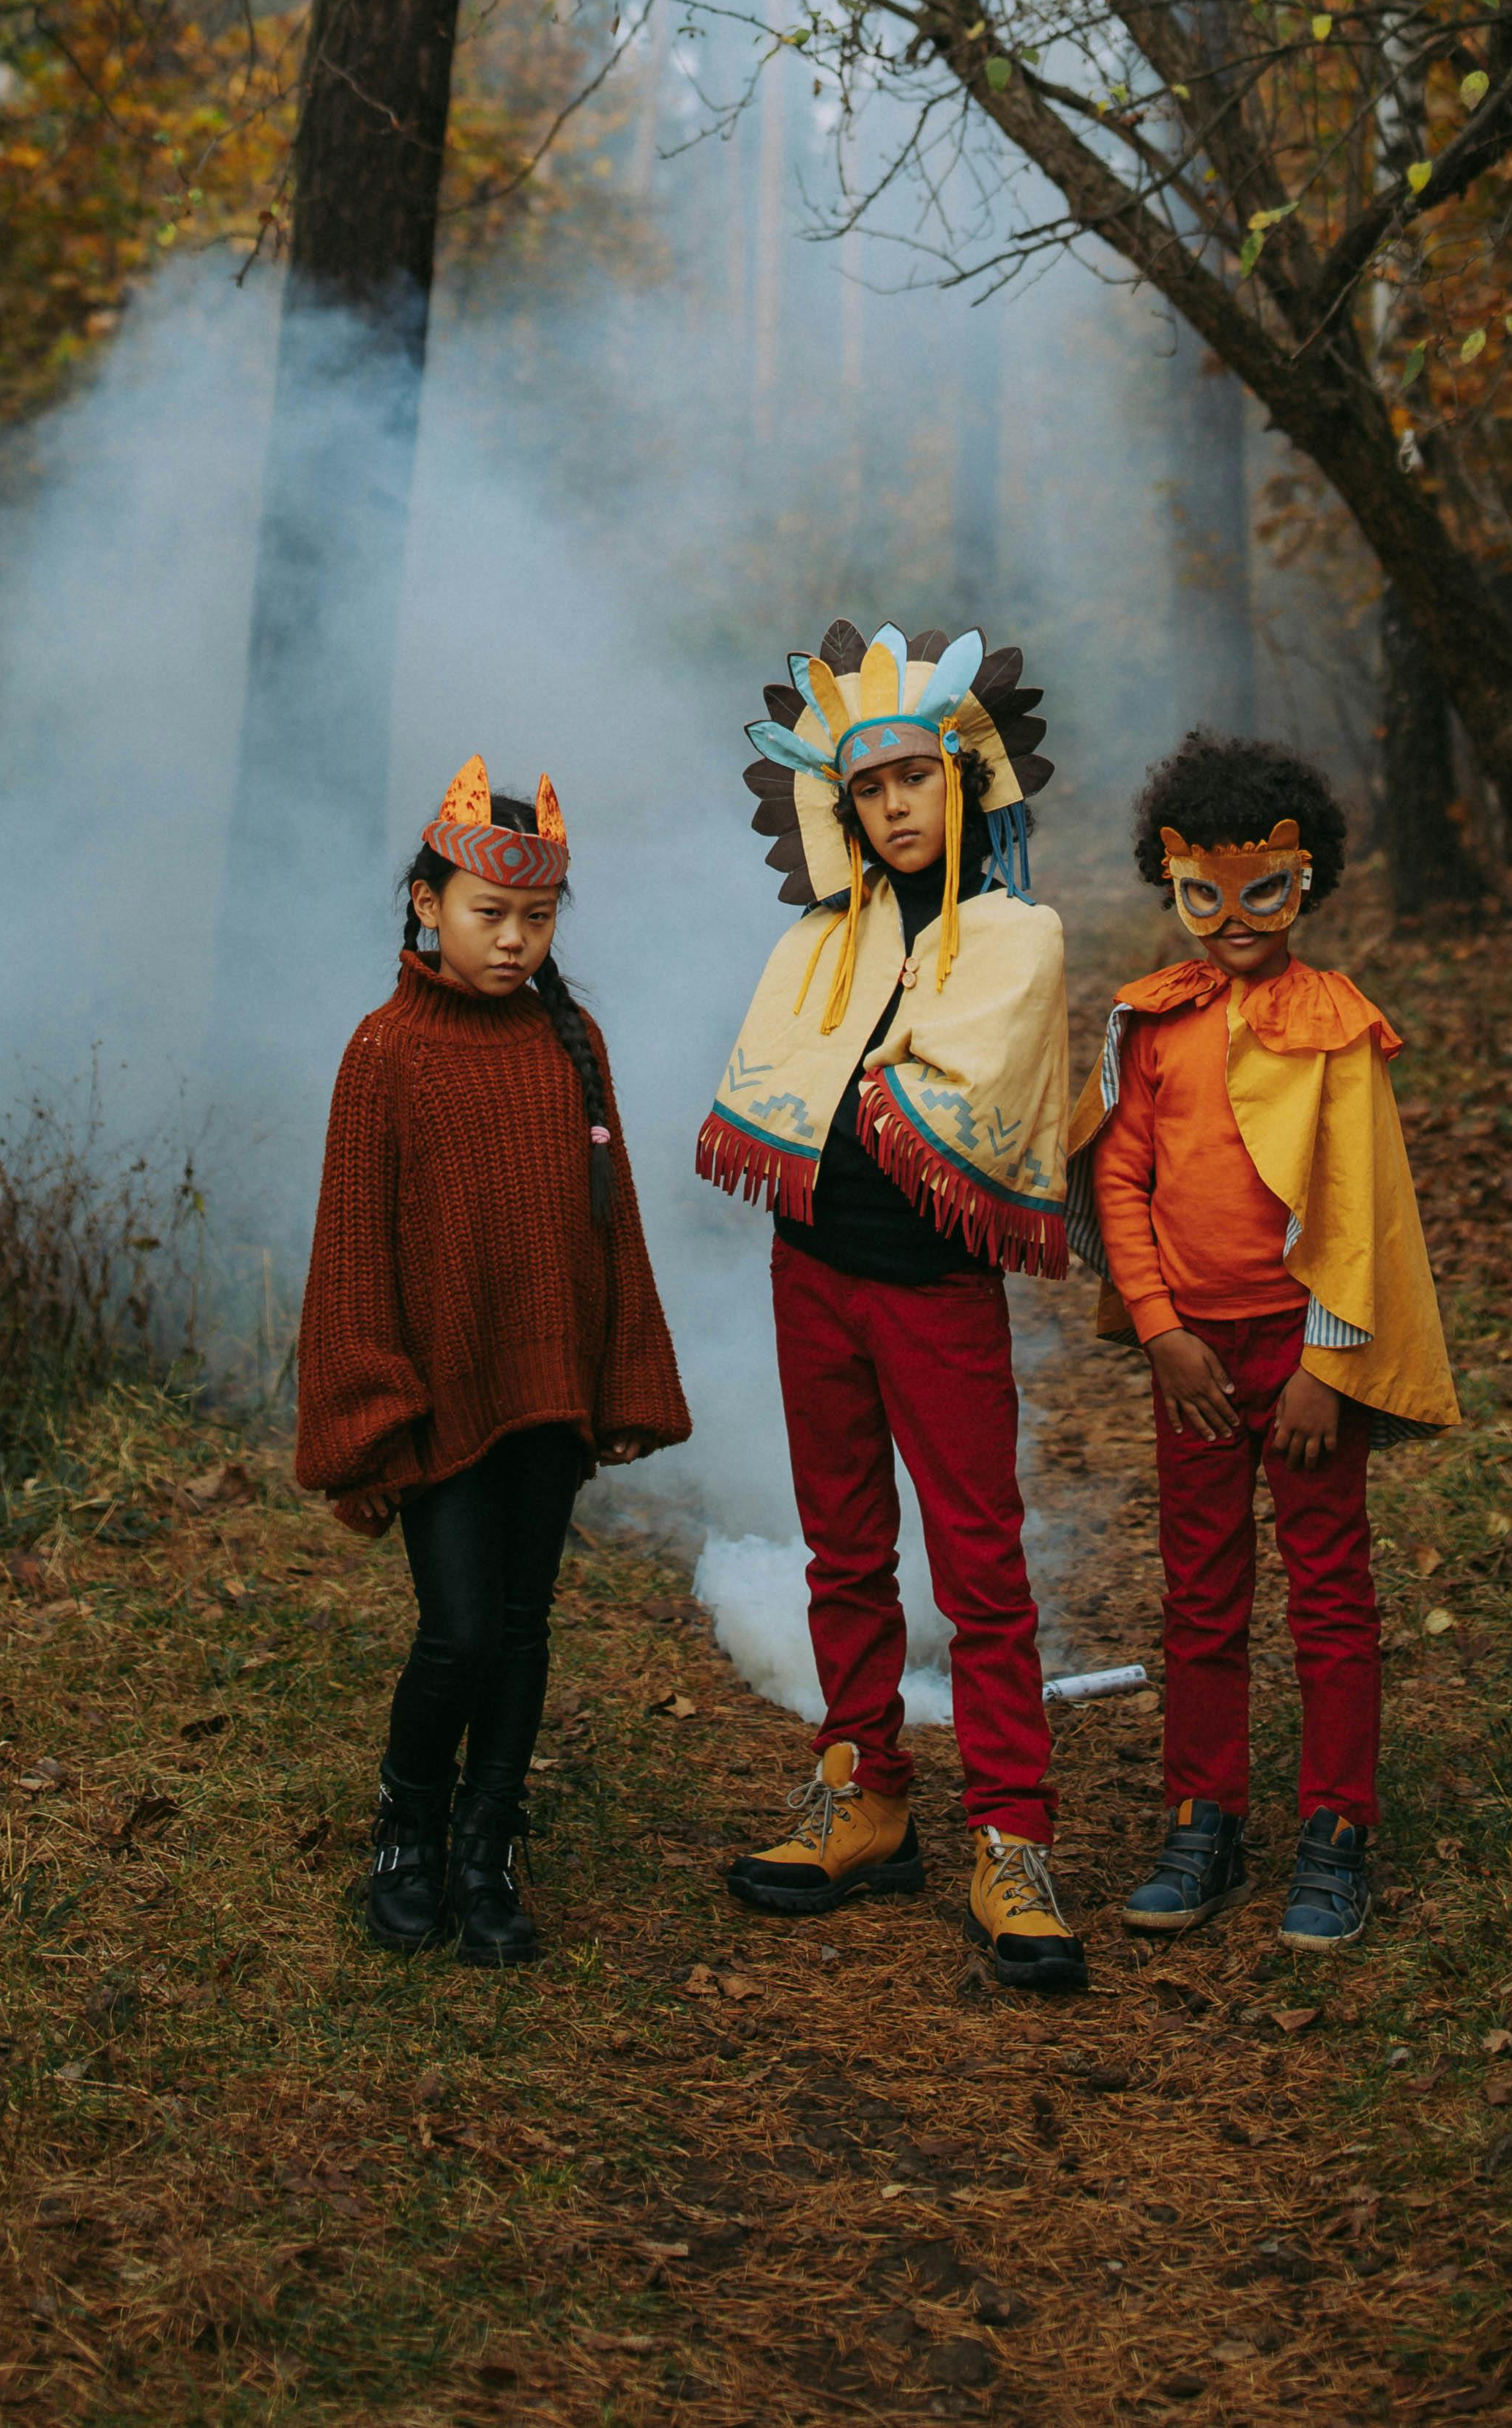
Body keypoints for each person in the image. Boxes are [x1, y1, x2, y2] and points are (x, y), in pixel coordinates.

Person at [696, 619, 1087, 1997]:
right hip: (814, 1273)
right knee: (842, 1546)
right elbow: (788, 1093)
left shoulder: (1019, 938)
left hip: (934, 1291)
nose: (896, 805)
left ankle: (1012, 1835)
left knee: (978, 1565)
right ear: (842, 806)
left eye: (916, 776)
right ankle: (861, 1786)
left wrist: (867, 1100)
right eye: (868, 788)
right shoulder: (819, 944)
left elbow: (952, 1096)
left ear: (965, 779)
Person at [1063, 729, 1459, 1954]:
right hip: (1194, 1363)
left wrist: (1326, 1372)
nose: (1233, 922)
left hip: (1301, 1361)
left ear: (1306, 882)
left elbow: (1355, 1204)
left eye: (1264, 894)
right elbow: (1120, 1178)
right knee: (1202, 1591)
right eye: (1205, 897)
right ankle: (1203, 1815)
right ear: (1171, 881)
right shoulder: (1155, 1025)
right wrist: (1163, 1330)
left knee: (1331, 1590)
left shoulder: (1335, 1030)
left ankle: (1337, 1832)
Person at [296, 759, 689, 1963]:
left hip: (549, 1393)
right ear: (428, 904)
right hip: (441, 1395)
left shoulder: (571, 1045)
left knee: (524, 1629)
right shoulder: (385, 1053)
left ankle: (488, 1841)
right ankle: (407, 1825)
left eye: (537, 916)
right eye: (489, 914)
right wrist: (373, 1413)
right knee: (458, 1631)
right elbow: (354, 1250)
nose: (515, 939)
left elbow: (608, 1227)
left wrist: (624, 1378)